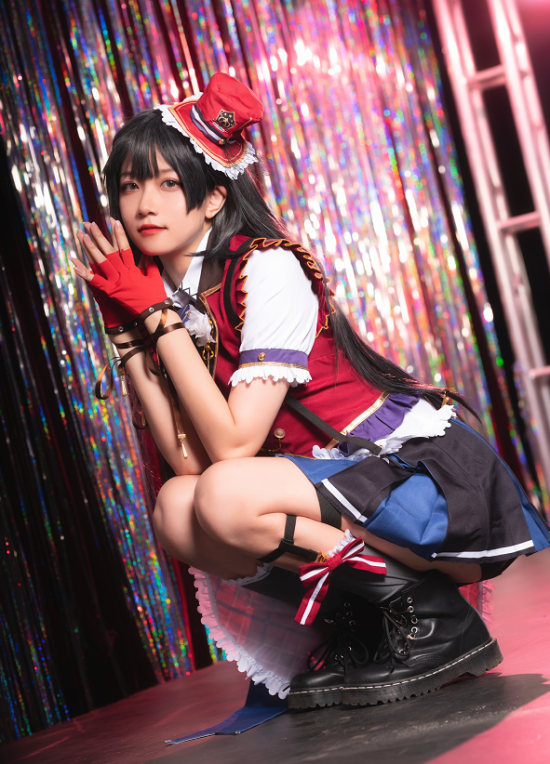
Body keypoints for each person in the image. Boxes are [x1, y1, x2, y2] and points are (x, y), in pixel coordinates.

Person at [72, 72, 550, 710]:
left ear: (213, 199)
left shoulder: (266, 267)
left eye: (166, 183)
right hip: (323, 492)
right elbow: (189, 462)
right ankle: (363, 622)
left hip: (412, 486)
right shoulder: (175, 299)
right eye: (129, 186)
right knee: (177, 508)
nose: (143, 205)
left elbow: (234, 447)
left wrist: (157, 318)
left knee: (220, 494)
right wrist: (130, 336)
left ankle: (434, 617)